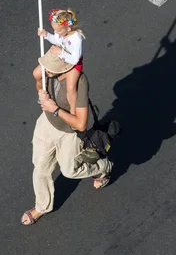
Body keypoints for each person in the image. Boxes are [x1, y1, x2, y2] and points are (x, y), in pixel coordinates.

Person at [21, 51, 112, 226]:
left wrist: (54, 108)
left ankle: (103, 167)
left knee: (70, 171)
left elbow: (81, 124)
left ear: (64, 67)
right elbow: (41, 87)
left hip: (70, 133)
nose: (46, 70)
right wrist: (40, 86)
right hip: (47, 123)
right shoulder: (48, 72)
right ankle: (42, 206)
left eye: (50, 68)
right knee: (40, 166)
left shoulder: (79, 83)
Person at [33, 8, 84, 115]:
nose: (56, 32)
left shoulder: (76, 39)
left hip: (72, 63)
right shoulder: (60, 32)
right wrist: (46, 35)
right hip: (59, 57)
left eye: (58, 30)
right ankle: (43, 95)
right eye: (54, 30)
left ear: (68, 28)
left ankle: (73, 113)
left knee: (70, 89)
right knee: (36, 74)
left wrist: (61, 52)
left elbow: (75, 60)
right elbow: (56, 40)